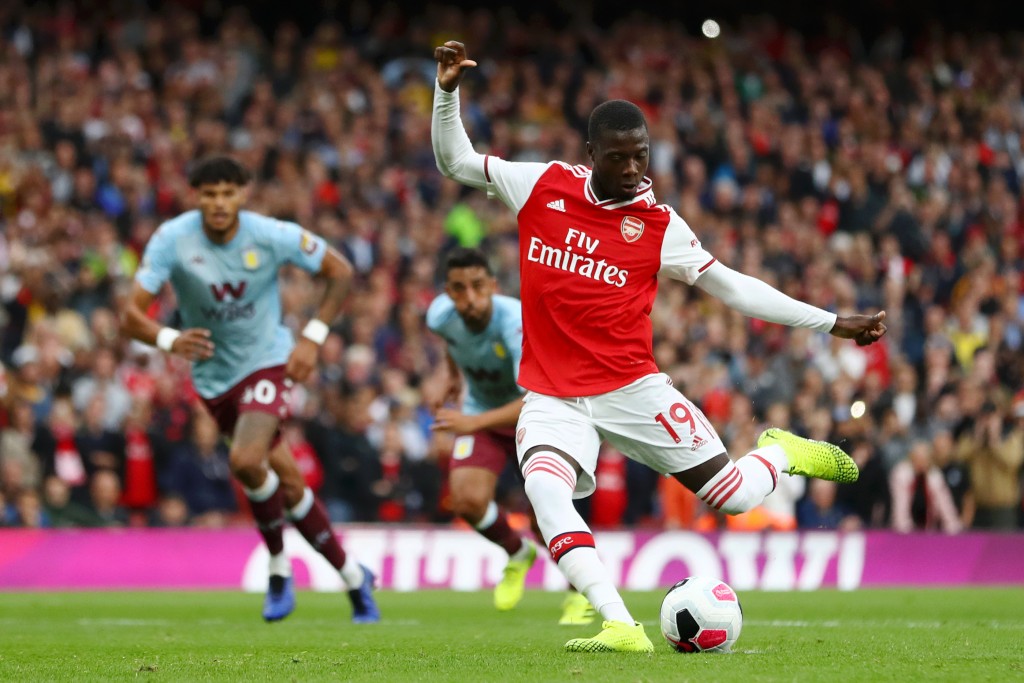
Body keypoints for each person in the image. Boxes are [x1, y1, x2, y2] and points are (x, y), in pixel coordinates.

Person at [432, 41, 888, 653]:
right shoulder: (541, 186)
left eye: (640, 156)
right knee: (544, 489)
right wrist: (447, 91)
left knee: (735, 497)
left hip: (630, 389)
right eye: (617, 158)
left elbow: (736, 290)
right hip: (553, 394)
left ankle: (779, 453)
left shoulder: (660, 226)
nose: (632, 170)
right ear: (591, 153)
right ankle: (620, 624)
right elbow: (456, 161)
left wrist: (832, 322)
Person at [121, 155, 379, 624]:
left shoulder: (270, 234)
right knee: (289, 483)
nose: (219, 203)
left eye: (227, 193)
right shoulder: (173, 240)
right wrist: (168, 338)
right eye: (209, 194)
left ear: (243, 194)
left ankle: (279, 570)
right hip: (212, 376)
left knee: (245, 461)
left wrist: (312, 338)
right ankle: (355, 580)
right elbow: (131, 315)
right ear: (196, 197)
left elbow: (339, 271)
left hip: (267, 362)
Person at [425, 247, 594, 624]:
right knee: (466, 500)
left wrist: (472, 422)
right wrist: (453, 378)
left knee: (545, 517)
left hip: (533, 415)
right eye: (458, 289)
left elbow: (531, 396)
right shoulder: (439, 316)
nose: (469, 298)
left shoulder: (514, 321)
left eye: (477, 286)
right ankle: (517, 552)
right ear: (447, 293)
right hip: (482, 412)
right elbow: (453, 343)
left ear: (493, 286)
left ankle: (580, 593)